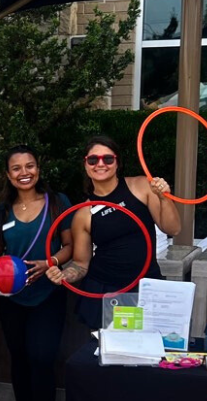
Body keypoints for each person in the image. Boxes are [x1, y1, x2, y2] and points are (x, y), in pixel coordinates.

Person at [47, 134, 180, 328]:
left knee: (149, 352)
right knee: (113, 353)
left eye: (107, 158)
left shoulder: (141, 186)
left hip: (146, 285)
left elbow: (173, 228)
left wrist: (164, 198)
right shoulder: (83, 213)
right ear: (85, 165)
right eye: (93, 160)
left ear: (117, 162)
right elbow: (81, 264)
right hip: (106, 290)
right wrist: (64, 275)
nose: (100, 164)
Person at [0, 146, 73, 401]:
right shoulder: (2, 210)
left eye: (30, 166)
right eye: (16, 168)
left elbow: (69, 245)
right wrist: (0, 268)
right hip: (11, 296)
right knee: (19, 356)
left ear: (39, 168)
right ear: (8, 174)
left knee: (42, 357)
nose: (24, 172)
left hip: (48, 292)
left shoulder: (57, 202)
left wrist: (50, 261)